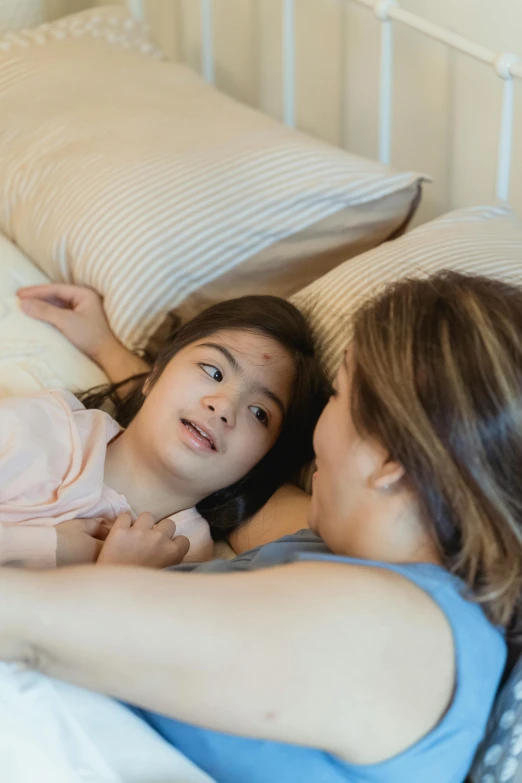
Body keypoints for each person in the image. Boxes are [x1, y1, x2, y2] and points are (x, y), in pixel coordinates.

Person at [6, 270, 518, 783]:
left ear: (390, 459)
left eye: (337, 395)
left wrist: (84, 566)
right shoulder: (332, 541)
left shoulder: (404, 636)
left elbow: (34, 627)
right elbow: (193, 445)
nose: (319, 430)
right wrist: (110, 348)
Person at [0, 290, 328, 568]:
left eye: (259, 413)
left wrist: (117, 580)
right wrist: (53, 546)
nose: (225, 407)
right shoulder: (36, 427)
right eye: (213, 372)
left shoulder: (189, 561)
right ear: (155, 374)